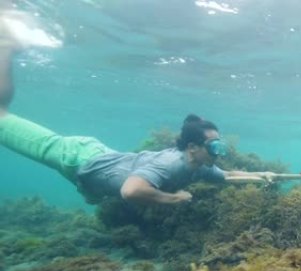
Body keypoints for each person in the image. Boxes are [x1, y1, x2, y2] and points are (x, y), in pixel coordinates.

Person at [0, 13, 275, 205]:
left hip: (96, 160)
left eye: (220, 146)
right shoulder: (171, 163)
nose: (220, 151)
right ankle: (6, 44)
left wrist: (260, 176)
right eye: (214, 146)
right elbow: (131, 191)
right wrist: (173, 199)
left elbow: (228, 176)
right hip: (75, 157)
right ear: (192, 147)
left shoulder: (197, 166)